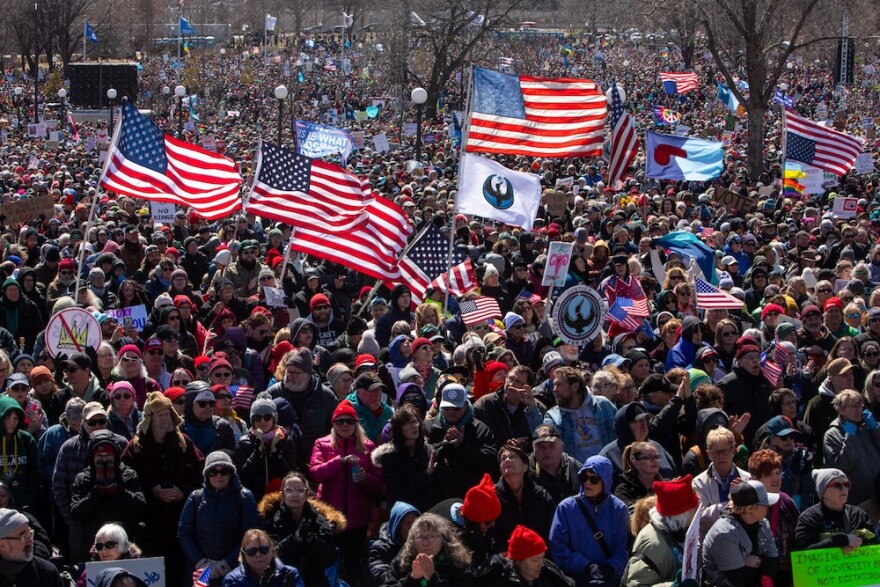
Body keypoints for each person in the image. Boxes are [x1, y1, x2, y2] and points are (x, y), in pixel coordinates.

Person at [121, 392, 204, 582]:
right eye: (160, 415)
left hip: (180, 522)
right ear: (150, 417)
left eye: (167, 414)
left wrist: (183, 491)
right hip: (150, 525)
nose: (165, 419)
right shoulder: (135, 447)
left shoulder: (184, 443)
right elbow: (125, 478)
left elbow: (201, 473)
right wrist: (151, 491)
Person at [309, 400, 382, 586]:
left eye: (349, 421)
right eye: (339, 421)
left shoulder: (368, 446)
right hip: (329, 519)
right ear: (333, 424)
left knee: (353, 568)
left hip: (358, 520)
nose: (344, 425)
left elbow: (378, 484)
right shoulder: (322, 444)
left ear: (356, 424)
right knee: (329, 566)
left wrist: (365, 479)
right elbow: (316, 473)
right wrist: (339, 462)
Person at [179, 451, 261, 585]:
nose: (219, 476)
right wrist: (201, 562)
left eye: (224, 471)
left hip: (235, 571)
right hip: (201, 569)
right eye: (213, 471)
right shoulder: (195, 498)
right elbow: (184, 534)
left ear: (232, 473)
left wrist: (225, 564)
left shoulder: (244, 497)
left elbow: (250, 536)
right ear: (206, 474)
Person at [549, 456, 630, 587]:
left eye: (594, 479)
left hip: (609, 579)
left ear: (606, 481)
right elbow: (558, 547)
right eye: (583, 478)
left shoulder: (619, 509)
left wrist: (609, 569)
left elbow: (623, 548)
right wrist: (587, 567)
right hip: (575, 579)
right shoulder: (565, 508)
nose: (587, 483)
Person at [68, 429, 146, 564]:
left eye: (108, 455)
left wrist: (117, 490)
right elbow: (76, 512)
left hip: (123, 546)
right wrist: (96, 492)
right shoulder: (82, 478)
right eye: (100, 456)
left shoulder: (128, 475)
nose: (104, 459)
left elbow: (140, 507)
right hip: (93, 546)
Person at [259, 472, 344, 587]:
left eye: (300, 490)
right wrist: (293, 540)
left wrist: (313, 541)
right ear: (282, 494)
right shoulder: (271, 519)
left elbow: (331, 557)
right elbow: (269, 557)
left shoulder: (318, 519)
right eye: (289, 490)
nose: (295, 494)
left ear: (306, 494)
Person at [622, 475, 700, 586]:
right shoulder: (651, 543)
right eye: (694, 508)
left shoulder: (680, 532)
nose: (697, 511)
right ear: (683, 515)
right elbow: (637, 584)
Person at [425, 383, 499, 500]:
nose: (451, 412)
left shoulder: (480, 429)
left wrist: (463, 445)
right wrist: (443, 444)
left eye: (456, 408)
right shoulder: (429, 427)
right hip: (438, 497)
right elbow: (423, 456)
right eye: (446, 408)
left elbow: (491, 463)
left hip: (470, 498)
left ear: (465, 405)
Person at [701, 480, 780, 586]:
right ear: (750, 508)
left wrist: (757, 561)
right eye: (764, 503)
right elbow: (740, 580)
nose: (769, 506)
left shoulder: (763, 523)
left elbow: (774, 567)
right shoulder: (724, 533)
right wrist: (764, 564)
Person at [822, 389, 880, 518]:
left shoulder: (867, 427)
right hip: (856, 502)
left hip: (877, 497)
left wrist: (876, 429)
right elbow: (844, 465)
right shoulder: (832, 434)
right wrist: (850, 434)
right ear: (841, 410)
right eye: (854, 406)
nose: (859, 410)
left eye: (860, 405)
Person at [543, 367, 616, 464]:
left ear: (575, 386)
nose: (554, 389)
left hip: (608, 467)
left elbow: (618, 437)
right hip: (577, 473)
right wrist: (532, 408)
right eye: (554, 385)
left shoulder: (603, 405)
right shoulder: (553, 416)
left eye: (559, 385)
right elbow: (544, 441)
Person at [234, 396, 297, 502]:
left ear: (274, 419)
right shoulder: (243, 443)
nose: (262, 421)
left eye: (267, 417)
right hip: (252, 500)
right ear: (252, 420)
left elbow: (291, 475)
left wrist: (276, 454)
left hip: (280, 499)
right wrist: (256, 454)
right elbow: (241, 477)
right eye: (257, 417)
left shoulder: (286, 440)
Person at [493, 443, 556, 548]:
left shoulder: (542, 496)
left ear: (525, 467)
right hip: (505, 559)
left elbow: (551, 534)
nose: (507, 460)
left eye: (512, 457)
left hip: (538, 558)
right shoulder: (492, 497)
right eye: (503, 459)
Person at [795, 468, 875, 551]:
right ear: (824, 493)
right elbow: (804, 552)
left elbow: (875, 544)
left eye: (846, 484)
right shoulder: (809, 518)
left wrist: (858, 542)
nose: (844, 489)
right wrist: (841, 540)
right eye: (837, 485)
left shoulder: (857, 514)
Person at [386, 513, 474, 587]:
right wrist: (411, 579)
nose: (426, 543)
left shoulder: (457, 564)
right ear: (413, 541)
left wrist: (433, 578)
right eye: (420, 537)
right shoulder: (402, 563)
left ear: (443, 539)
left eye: (431, 536)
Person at [480, 524, 573, 587]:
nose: (541, 564)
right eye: (535, 560)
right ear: (518, 560)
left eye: (542, 557)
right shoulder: (498, 580)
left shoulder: (549, 572)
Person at [0, 509, 64, 586]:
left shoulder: (47, 573)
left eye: (30, 534)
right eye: (23, 537)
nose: (31, 541)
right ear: (1, 543)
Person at [221, 528, 305, 587]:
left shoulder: (290, 573)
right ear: (243, 555)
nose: (258, 554)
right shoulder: (232, 580)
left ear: (272, 550)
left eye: (263, 549)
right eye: (252, 551)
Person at [368, 501, 420, 587]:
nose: (412, 527)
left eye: (415, 522)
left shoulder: (423, 544)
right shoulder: (379, 548)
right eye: (407, 523)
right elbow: (381, 578)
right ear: (397, 526)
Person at [0, 396, 38, 511]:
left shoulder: (26, 439)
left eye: (16, 418)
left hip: (22, 504)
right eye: (7, 418)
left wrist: (29, 499)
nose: (11, 422)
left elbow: (34, 472)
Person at [75, 523, 142, 587]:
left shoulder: (140, 567)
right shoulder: (88, 573)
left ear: (122, 545)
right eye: (99, 546)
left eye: (109, 545)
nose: (103, 551)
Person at [529, 424, 583, 503]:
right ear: (533, 448)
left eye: (551, 446)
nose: (547, 451)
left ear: (562, 447)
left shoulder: (575, 467)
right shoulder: (524, 472)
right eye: (541, 446)